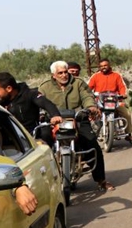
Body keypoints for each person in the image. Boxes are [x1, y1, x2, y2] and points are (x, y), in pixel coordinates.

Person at [39, 60, 115, 191]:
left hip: (78, 119)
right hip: (54, 121)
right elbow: (39, 101)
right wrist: (42, 114)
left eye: (65, 72)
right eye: (60, 73)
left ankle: (101, 180)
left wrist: (90, 106)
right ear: (53, 75)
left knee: (93, 146)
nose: (64, 75)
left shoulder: (78, 83)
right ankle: (44, 184)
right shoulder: (45, 87)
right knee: (42, 145)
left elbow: (87, 96)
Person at [0, 72, 62, 146]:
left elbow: (45, 103)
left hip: (33, 137)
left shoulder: (29, 94)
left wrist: (55, 115)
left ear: (9, 88)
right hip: (12, 140)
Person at [88, 58, 132, 146]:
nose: (103, 67)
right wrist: (90, 95)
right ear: (99, 67)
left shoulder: (116, 75)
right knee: (91, 116)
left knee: (126, 114)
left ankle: (128, 134)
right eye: (101, 66)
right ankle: (93, 136)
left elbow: (122, 87)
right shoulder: (95, 76)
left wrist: (123, 94)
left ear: (109, 65)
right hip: (100, 102)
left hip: (114, 101)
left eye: (105, 65)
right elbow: (88, 89)